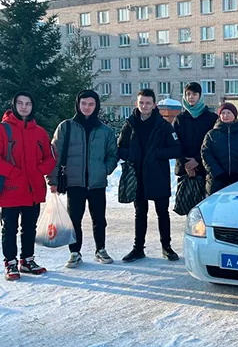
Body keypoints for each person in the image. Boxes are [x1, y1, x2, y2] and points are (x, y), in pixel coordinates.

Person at [49, 90, 118, 268]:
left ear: (96, 106)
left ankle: (100, 249)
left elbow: (112, 155)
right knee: (74, 219)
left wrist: (104, 170)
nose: (87, 107)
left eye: (91, 104)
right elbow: (54, 154)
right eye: (84, 104)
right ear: (78, 105)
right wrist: (53, 180)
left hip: (97, 183)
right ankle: (74, 252)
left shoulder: (105, 131)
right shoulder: (66, 127)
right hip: (74, 182)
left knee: (99, 219)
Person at [117, 88, 182, 262]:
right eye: (141, 103)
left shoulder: (163, 126)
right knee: (140, 213)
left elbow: (176, 149)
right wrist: (132, 155)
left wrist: (157, 153)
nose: (144, 106)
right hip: (137, 176)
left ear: (154, 105)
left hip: (157, 175)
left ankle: (166, 247)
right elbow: (120, 148)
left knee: (162, 212)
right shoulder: (130, 125)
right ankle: (138, 248)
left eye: (148, 103)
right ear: (136, 104)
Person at [0, 92, 56, 280]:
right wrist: (13, 173)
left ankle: (27, 260)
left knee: (30, 226)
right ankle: (10, 262)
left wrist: (40, 169)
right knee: (9, 228)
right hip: (11, 189)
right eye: (20, 103)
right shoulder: (3, 129)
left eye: (28, 103)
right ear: (14, 105)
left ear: (33, 107)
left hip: (33, 188)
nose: (24, 107)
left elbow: (50, 157)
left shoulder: (39, 132)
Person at [201, 103, 238, 195]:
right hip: (216, 181)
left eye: (229, 113)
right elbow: (206, 154)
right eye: (223, 113)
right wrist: (217, 173)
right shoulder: (211, 134)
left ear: (234, 115)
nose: (225, 115)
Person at [173, 82, 217, 182]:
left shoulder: (211, 118)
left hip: (205, 170)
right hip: (184, 171)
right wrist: (186, 163)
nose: (191, 97)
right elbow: (174, 144)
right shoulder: (180, 119)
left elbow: (214, 144)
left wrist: (197, 160)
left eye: (194, 94)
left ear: (200, 96)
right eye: (188, 94)